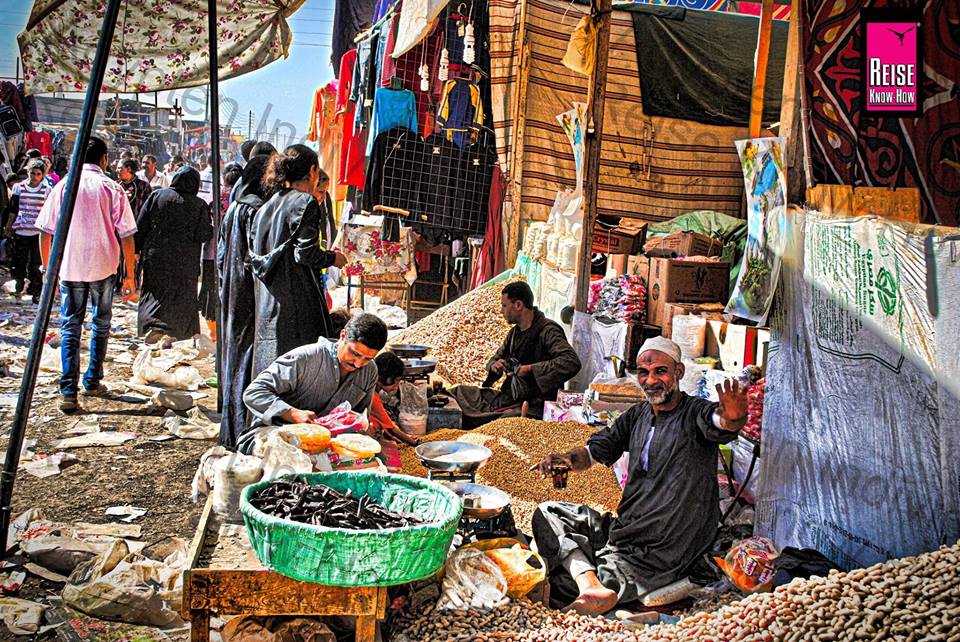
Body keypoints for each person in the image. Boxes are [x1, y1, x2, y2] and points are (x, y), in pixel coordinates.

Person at [530, 337, 749, 616]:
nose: (650, 380)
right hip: (626, 531)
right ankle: (592, 586)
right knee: (549, 512)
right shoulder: (638, 415)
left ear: (679, 372)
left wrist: (733, 417)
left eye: (660, 371)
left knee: (559, 586)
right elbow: (596, 449)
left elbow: (720, 422)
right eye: (643, 373)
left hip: (665, 548)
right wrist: (567, 459)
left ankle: (589, 582)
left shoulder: (695, 412)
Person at [36, 137, 138, 413]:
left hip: (70, 267)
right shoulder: (111, 187)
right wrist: (130, 275)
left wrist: (48, 270)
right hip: (104, 266)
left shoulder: (63, 186)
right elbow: (127, 235)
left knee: (71, 325)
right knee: (100, 324)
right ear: (104, 160)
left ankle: (69, 390)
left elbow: (45, 231)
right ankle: (92, 380)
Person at [248, 144, 347, 376]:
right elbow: (305, 253)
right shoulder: (305, 202)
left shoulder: (266, 206)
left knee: (271, 372)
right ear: (312, 171)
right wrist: (334, 258)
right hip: (297, 304)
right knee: (298, 372)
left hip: (268, 303)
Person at [238, 313, 388, 453]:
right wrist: (291, 413)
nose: (358, 363)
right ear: (343, 335)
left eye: (367, 358)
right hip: (277, 434)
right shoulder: (306, 358)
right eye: (355, 353)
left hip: (328, 442)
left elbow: (360, 417)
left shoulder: (369, 371)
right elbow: (254, 392)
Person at [450, 282, 581, 427]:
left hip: (535, 404)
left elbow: (570, 361)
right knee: (459, 393)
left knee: (500, 423)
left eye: (504, 306)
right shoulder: (514, 333)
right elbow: (496, 358)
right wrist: (495, 365)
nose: (502, 310)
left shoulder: (548, 331)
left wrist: (531, 369)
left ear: (518, 305)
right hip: (511, 396)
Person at [216, 156, 271, 450]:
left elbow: (224, 257)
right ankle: (243, 436)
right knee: (248, 366)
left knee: (236, 361)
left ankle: (233, 433)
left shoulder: (236, 207)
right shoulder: (256, 211)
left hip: (234, 296)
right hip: (251, 298)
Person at [134, 166, 214, 340]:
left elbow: (141, 226)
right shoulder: (199, 205)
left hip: (156, 258)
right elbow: (203, 234)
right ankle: (179, 332)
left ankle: (153, 326)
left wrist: (136, 249)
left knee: (154, 292)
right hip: (185, 263)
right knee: (183, 297)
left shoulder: (157, 196)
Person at [5, 159, 51, 302]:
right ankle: (19, 286)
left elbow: (48, 212)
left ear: (42, 175)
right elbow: (13, 209)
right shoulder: (18, 188)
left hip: (38, 233)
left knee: (36, 264)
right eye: (32, 173)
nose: (35, 177)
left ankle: (35, 291)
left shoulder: (47, 190)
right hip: (21, 231)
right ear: (28, 173)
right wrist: (9, 226)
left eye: (38, 174)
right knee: (19, 261)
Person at [197, 156, 220, 340]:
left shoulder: (199, 177)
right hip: (221, 248)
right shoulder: (219, 182)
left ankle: (211, 328)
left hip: (207, 242)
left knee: (208, 285)